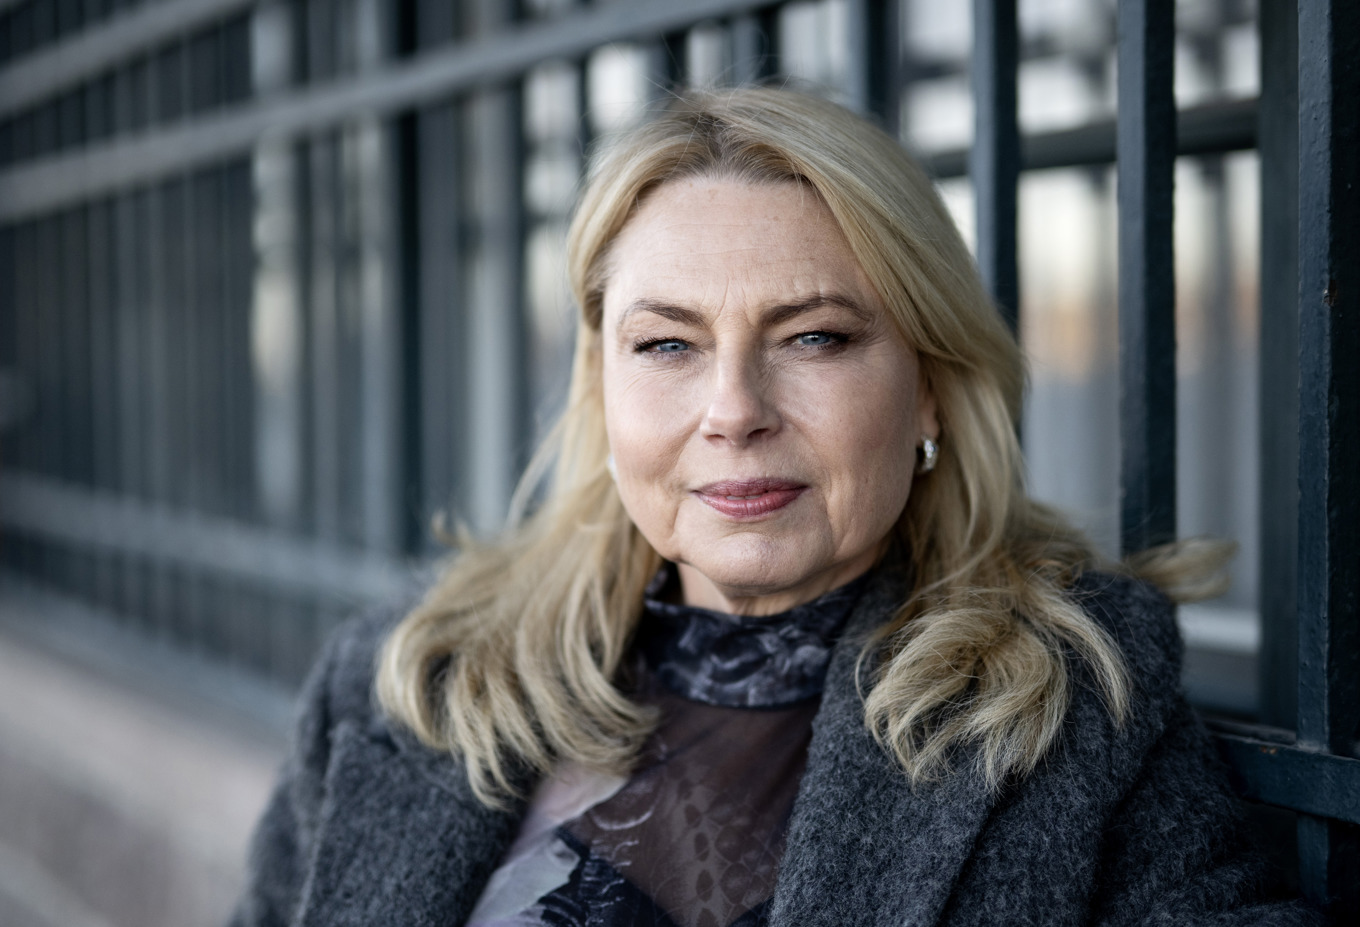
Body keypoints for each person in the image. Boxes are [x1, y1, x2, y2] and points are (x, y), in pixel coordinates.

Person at [231, 87, 1317, 927]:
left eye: (814, 338)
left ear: (930, 382)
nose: (733, 410)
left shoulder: (1067, 699)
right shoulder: (412, 677)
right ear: (602, 387)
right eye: (666, 345)